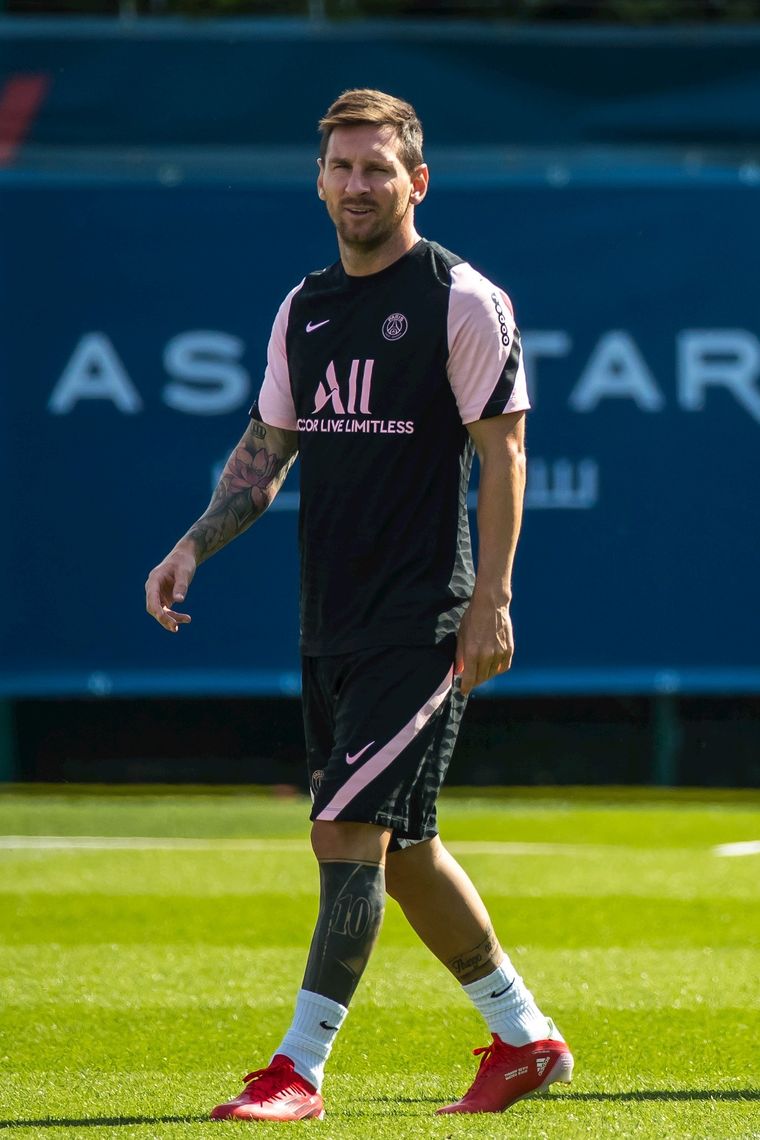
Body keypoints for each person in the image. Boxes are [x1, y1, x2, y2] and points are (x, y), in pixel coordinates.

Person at [145, 88, 573, 1122]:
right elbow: (265, 451)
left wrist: (491, 603)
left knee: (344, 832)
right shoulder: (306, 307)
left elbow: (502, 456)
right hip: (328, 616)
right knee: (408, 849)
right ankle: (526, 1039)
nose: (355, 185)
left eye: (376, 167)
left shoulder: (463, 299)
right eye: (340, 167)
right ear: (320, 181)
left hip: (422, 615)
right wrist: (193, 542)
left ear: (415, 181)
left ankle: (297, 1069)